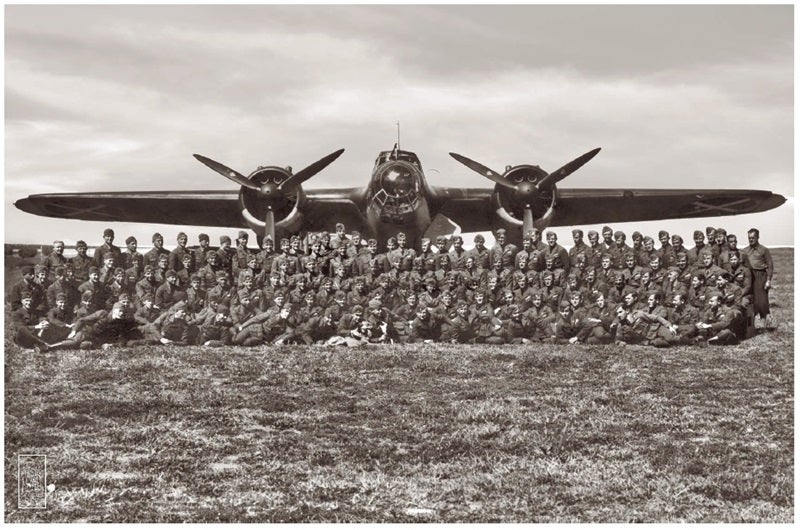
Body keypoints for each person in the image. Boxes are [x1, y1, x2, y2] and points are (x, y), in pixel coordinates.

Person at [740, 228, 774, 328]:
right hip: (749, 276)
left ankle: (764, 322)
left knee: (761, 300)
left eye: (753, 238)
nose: (751, 240)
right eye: (749, 238)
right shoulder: (745, 250)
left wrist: (768, 280)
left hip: (760, 275)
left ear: (758, 237)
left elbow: (770, 266)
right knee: (750, 299)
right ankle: (751, 324)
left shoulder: (764, 250)